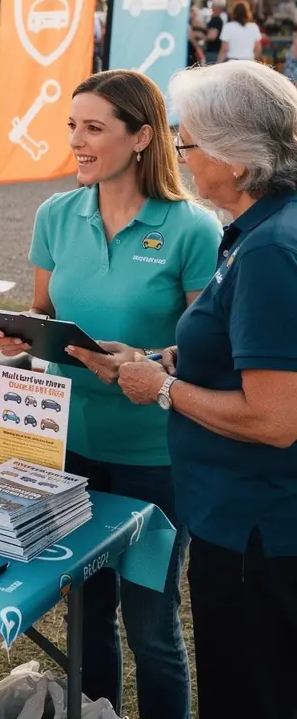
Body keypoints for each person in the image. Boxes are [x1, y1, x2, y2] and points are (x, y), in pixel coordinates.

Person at [0, 70, 221, 719]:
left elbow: (207, 351)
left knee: (151, 629)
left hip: (155, 461)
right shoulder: (55, 216)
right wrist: (23, 337)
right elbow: (43, 310)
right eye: (72, 126)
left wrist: (141, 363)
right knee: (87, 620)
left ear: (142, 136)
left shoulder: (192, 229)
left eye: (94, 128)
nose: (77, 141)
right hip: (67, 456)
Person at [116, 61, 297, 719]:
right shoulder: (256, 231)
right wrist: (169, 356)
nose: (182, 158)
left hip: (257, 533)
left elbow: (277, 417)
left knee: (251, 690)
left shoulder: (272, 247)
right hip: (246, 523)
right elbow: (246, 348)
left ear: (240, 158)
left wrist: (163, 389)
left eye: (189, 145)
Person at [203, 0, 227, 64]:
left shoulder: (216, 20)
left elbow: (212, 36)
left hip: (213, 52)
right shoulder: (220, 19)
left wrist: (201, 37)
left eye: (213, 5)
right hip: (215, 51)